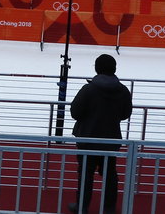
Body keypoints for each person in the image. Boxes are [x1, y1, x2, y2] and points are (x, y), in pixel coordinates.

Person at [69, 54, 133, 214]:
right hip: (110, 140)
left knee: (85, 174)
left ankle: (82, 206)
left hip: (87, 139)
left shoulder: (88, 89)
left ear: (97, 69)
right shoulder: (123, 91)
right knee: (110, 174)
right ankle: (109, 208)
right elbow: (125, 113)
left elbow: (75, 112)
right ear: (114, 69)